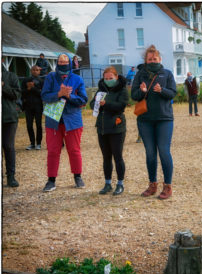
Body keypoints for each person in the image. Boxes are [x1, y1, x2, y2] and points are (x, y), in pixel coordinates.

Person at [131, 45, 177, 199]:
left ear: (160, 59)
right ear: (145, 60)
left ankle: (168, 186)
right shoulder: (140, 75)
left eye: (154, 59)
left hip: (164, 119)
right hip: (145, 120)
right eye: (149, 59)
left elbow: (173, 93)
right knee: (150, 153)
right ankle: (152, 185)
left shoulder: (167, 74)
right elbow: (134, 95)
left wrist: (162, 90)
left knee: (164, 152)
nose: (152, 61)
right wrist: (142, 91)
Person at [41, 53, 88, 192]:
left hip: (72, 121)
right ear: (57, 63)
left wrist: (69, 96)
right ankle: (51, 180)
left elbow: (83, 99)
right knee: (53, 151)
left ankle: (78, 176)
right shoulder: (50, 77)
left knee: (74, 150)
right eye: (60, 62)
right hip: (53, 121)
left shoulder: (77, 79)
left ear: (70, 62)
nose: (63, 64)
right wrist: (58, 94)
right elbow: (44, 96)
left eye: (65, 61)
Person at [90, 66, 128, 195]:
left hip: (117, 128)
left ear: (116, 77)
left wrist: (106, 104)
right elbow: (91, 105)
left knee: (118, 157)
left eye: (110, 78)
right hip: (102, 128)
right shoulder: (100, 90)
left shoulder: (122, 90)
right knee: (106, 157)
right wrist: (96, 102)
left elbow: (121, 106)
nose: (108, 80)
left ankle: (120, 184)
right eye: (106, 78)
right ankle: (107, 183)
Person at [2, 63, 21, 187]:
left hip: (9, 117)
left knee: (8, 146)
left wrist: (3, 87)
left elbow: (16, 95)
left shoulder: (11, 76)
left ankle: (11, 177)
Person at [22, 65, 44, 150]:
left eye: (37, 70)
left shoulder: (41, 81)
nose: (35, 71)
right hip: (28, 106)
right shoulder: (25, 80)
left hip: (38, 106)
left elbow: (42, 94)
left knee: (39, 125)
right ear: (31, 71)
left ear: (39, 71)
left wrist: (33, 88)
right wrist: (27, 88)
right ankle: (32, 143)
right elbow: (21, 93)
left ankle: (38, 143)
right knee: (29, 125)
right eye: (34, 70)